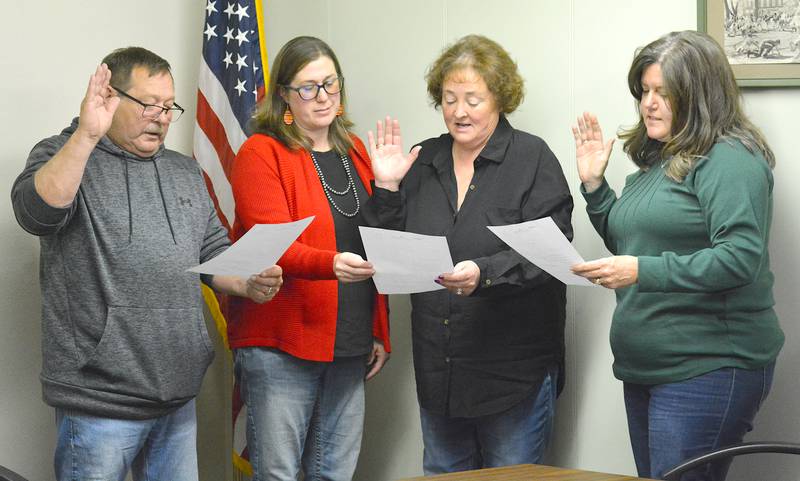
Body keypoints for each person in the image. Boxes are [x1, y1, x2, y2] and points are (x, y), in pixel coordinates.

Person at [11, 47, 283, 481]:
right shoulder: (61, 152)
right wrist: (86, 135)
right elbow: (36, 213)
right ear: (110, 99)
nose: (160, 116)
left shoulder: (184, 172)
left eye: (168, 106)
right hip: (99, 400)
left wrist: (247, 281)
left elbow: (212, 252)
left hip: (177, 396)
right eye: (148, 104)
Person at [570, 30, 784, 481]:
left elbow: (739, 258)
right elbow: (630, 245)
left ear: (700, 97)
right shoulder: (661, 161)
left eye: (664, 93)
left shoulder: (730, 160)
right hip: (648, 367)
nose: (649, 103)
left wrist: (641, 270)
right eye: (645, 91)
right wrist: (594, 186)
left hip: (706, 367)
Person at [364, 35, 573, 474]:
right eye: (449, 98)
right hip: (440, 374)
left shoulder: (532, 158)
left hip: (512, 377)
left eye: (473, 99)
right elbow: (386, 253)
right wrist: (385, 187)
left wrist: (485, 273)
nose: (459, 111)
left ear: (500, 99)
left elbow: (551, 252)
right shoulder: (424, 159)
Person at [227, 36, 390, 481]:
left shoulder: (355, 150)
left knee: (334, 473)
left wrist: (379, 328)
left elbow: (376, 246)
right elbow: (270, 241)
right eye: (307, 87)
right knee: (278, 474)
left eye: (330, 84)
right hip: (282, 342)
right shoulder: (262, 152)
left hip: (349, 340)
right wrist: (330, 264)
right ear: (283, 93)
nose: (322, 97)